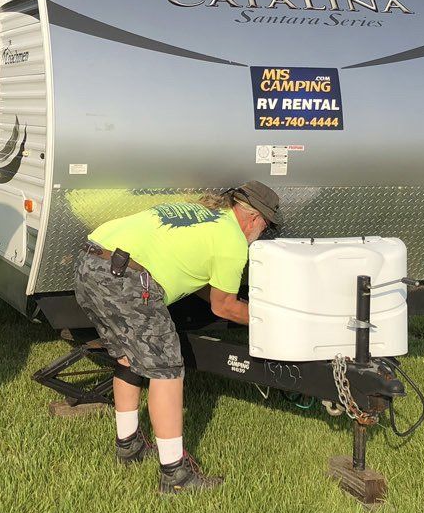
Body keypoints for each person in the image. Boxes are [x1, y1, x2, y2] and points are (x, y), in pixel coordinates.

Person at [74, 180, 280, 494]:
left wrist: (228, 301)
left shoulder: (203, 212)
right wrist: (266, 319)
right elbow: (224, 306)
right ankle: (175, 475)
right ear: (253, 219)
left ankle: (128, 446)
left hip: (90, 262)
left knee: (129, 356)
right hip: (129, 279)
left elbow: (198, 278)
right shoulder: (233, 242)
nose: (260, 235)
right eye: (265, 228)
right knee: (168, 370)